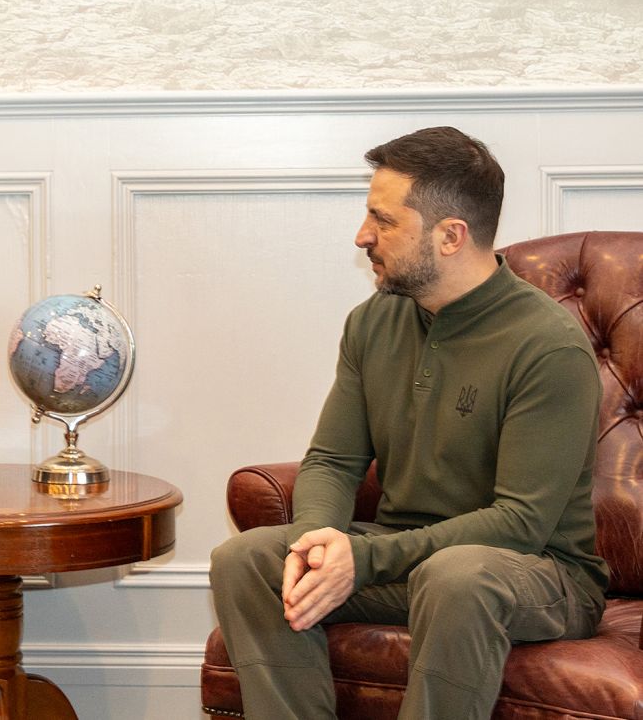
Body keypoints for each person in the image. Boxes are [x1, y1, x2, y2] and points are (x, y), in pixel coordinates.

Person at [209, 127, 607, 719]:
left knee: (457, 576)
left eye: (384, 220)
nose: (362, 235)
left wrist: (362, 559)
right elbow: (333, 460)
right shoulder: (373, 321)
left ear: (450, 236)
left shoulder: (548, 346)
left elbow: (520, 523)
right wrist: (317, 543)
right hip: (407, 559)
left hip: (536, 573)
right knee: (246, 561)